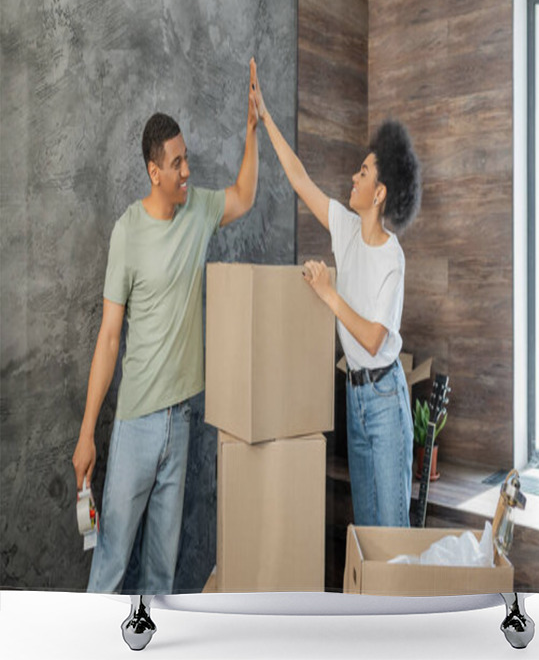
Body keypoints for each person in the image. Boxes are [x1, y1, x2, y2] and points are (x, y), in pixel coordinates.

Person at [71, 58, 262, 595]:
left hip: (181, 424)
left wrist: (252, 130)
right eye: (177, 164)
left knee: (160, 576)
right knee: (109, 569)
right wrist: (88, 435)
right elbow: (110, 339)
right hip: (136, 426)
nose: (187, 172)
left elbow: (244, 196)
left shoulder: (198, 210)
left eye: (187, 160)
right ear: (155, 172)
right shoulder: (126, 234)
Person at [252, 68, 421, 527]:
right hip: (356, 399)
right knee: (367, 536)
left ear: (379, 192)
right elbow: (300, 179)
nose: (354, 175)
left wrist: (327, 293)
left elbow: (370, 339)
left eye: (363, 172)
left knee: (390, 539)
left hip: (386, 402)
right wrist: (265, 118)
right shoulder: (345, 228)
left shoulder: (392, 257)